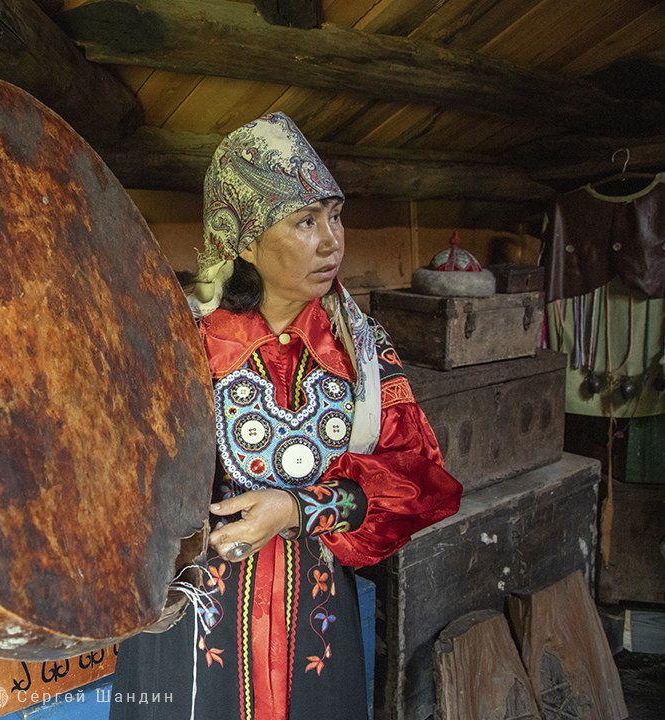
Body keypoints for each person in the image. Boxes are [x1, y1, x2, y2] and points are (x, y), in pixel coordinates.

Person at [109, 113, 462, 720]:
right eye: (305, 221)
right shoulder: (178, 341)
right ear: (245, 241)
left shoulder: (359, 349)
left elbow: (421, 479)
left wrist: (302, 509)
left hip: (313, 625)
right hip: (189, 623)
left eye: (335, 216)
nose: (331, 242)